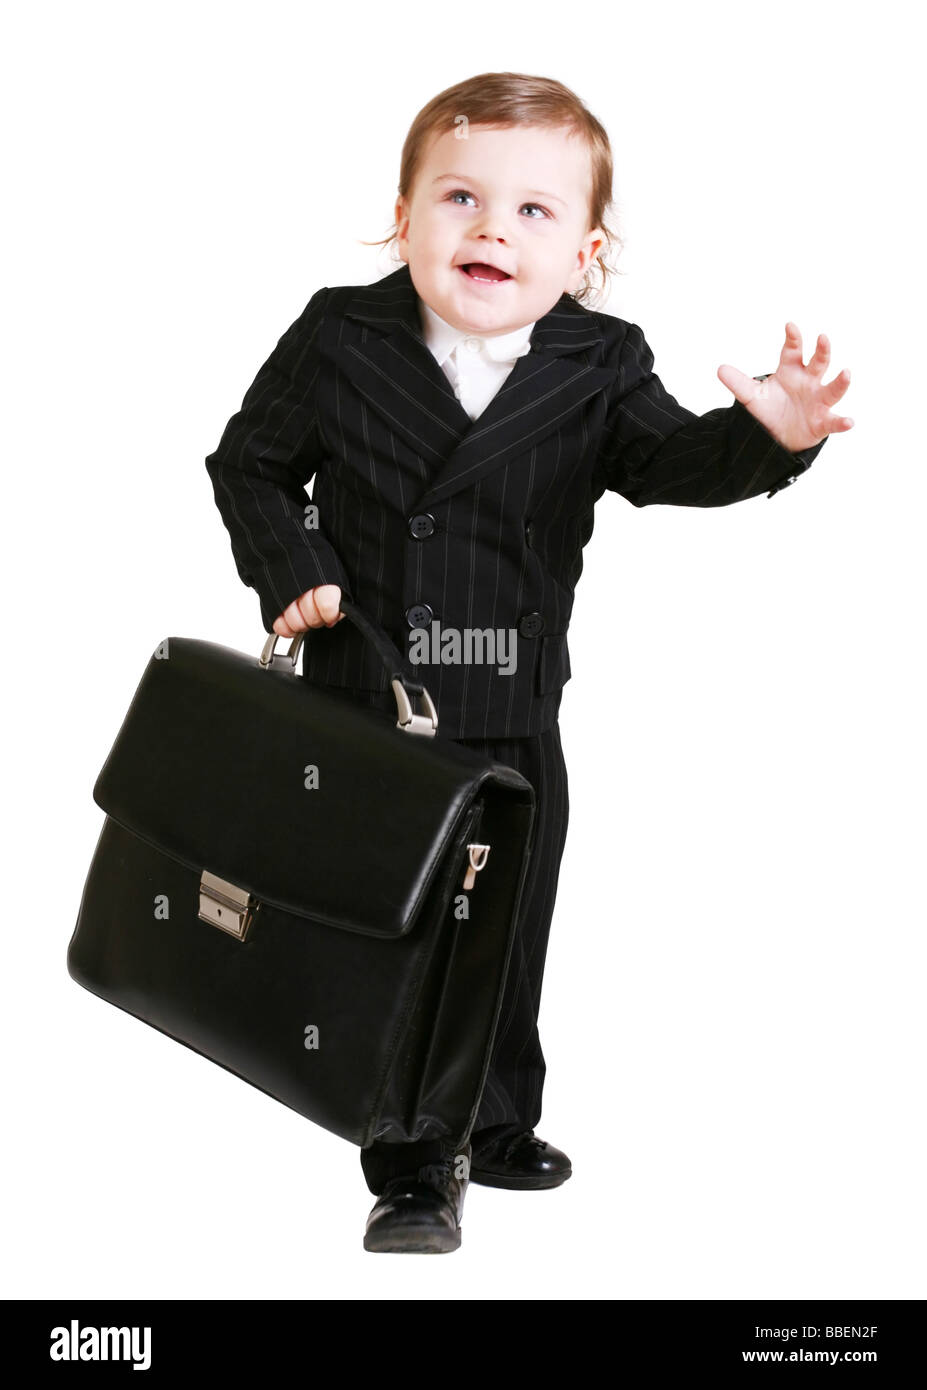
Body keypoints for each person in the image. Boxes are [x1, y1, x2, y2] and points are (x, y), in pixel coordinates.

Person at [204, 71, 853, 1254]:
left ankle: (493, 1120)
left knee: (506, 923)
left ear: (586, 254)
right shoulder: (338, 336)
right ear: (403, 220)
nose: (492, 227)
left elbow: (672, 466)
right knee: (401, 935)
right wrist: (290, 562)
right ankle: (408, 1162)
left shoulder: (599, 363)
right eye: (459, 197)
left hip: (510, 708)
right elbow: (247, 462)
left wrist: (769, 440)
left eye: (534, 212)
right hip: (367, 704)